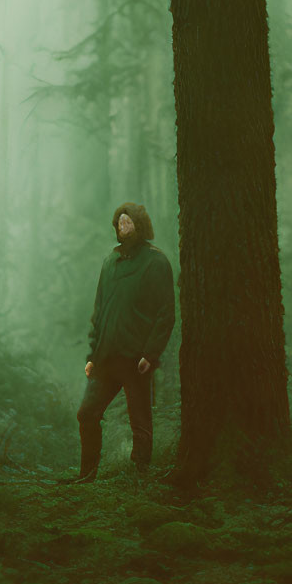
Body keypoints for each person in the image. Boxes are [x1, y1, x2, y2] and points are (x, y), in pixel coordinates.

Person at [64, 202, 175, 484]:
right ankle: (87, 474)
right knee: (87, 413)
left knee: (140, 421)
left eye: (128, 222)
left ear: (140, 225)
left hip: (137, 358)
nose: (123, 226)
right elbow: (99, 311)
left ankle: (140, 477)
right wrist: (92, 354)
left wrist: (151, 353)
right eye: (119, 222)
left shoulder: (156, 261)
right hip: (107, 357)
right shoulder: (110, 262)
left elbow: (166, 313)